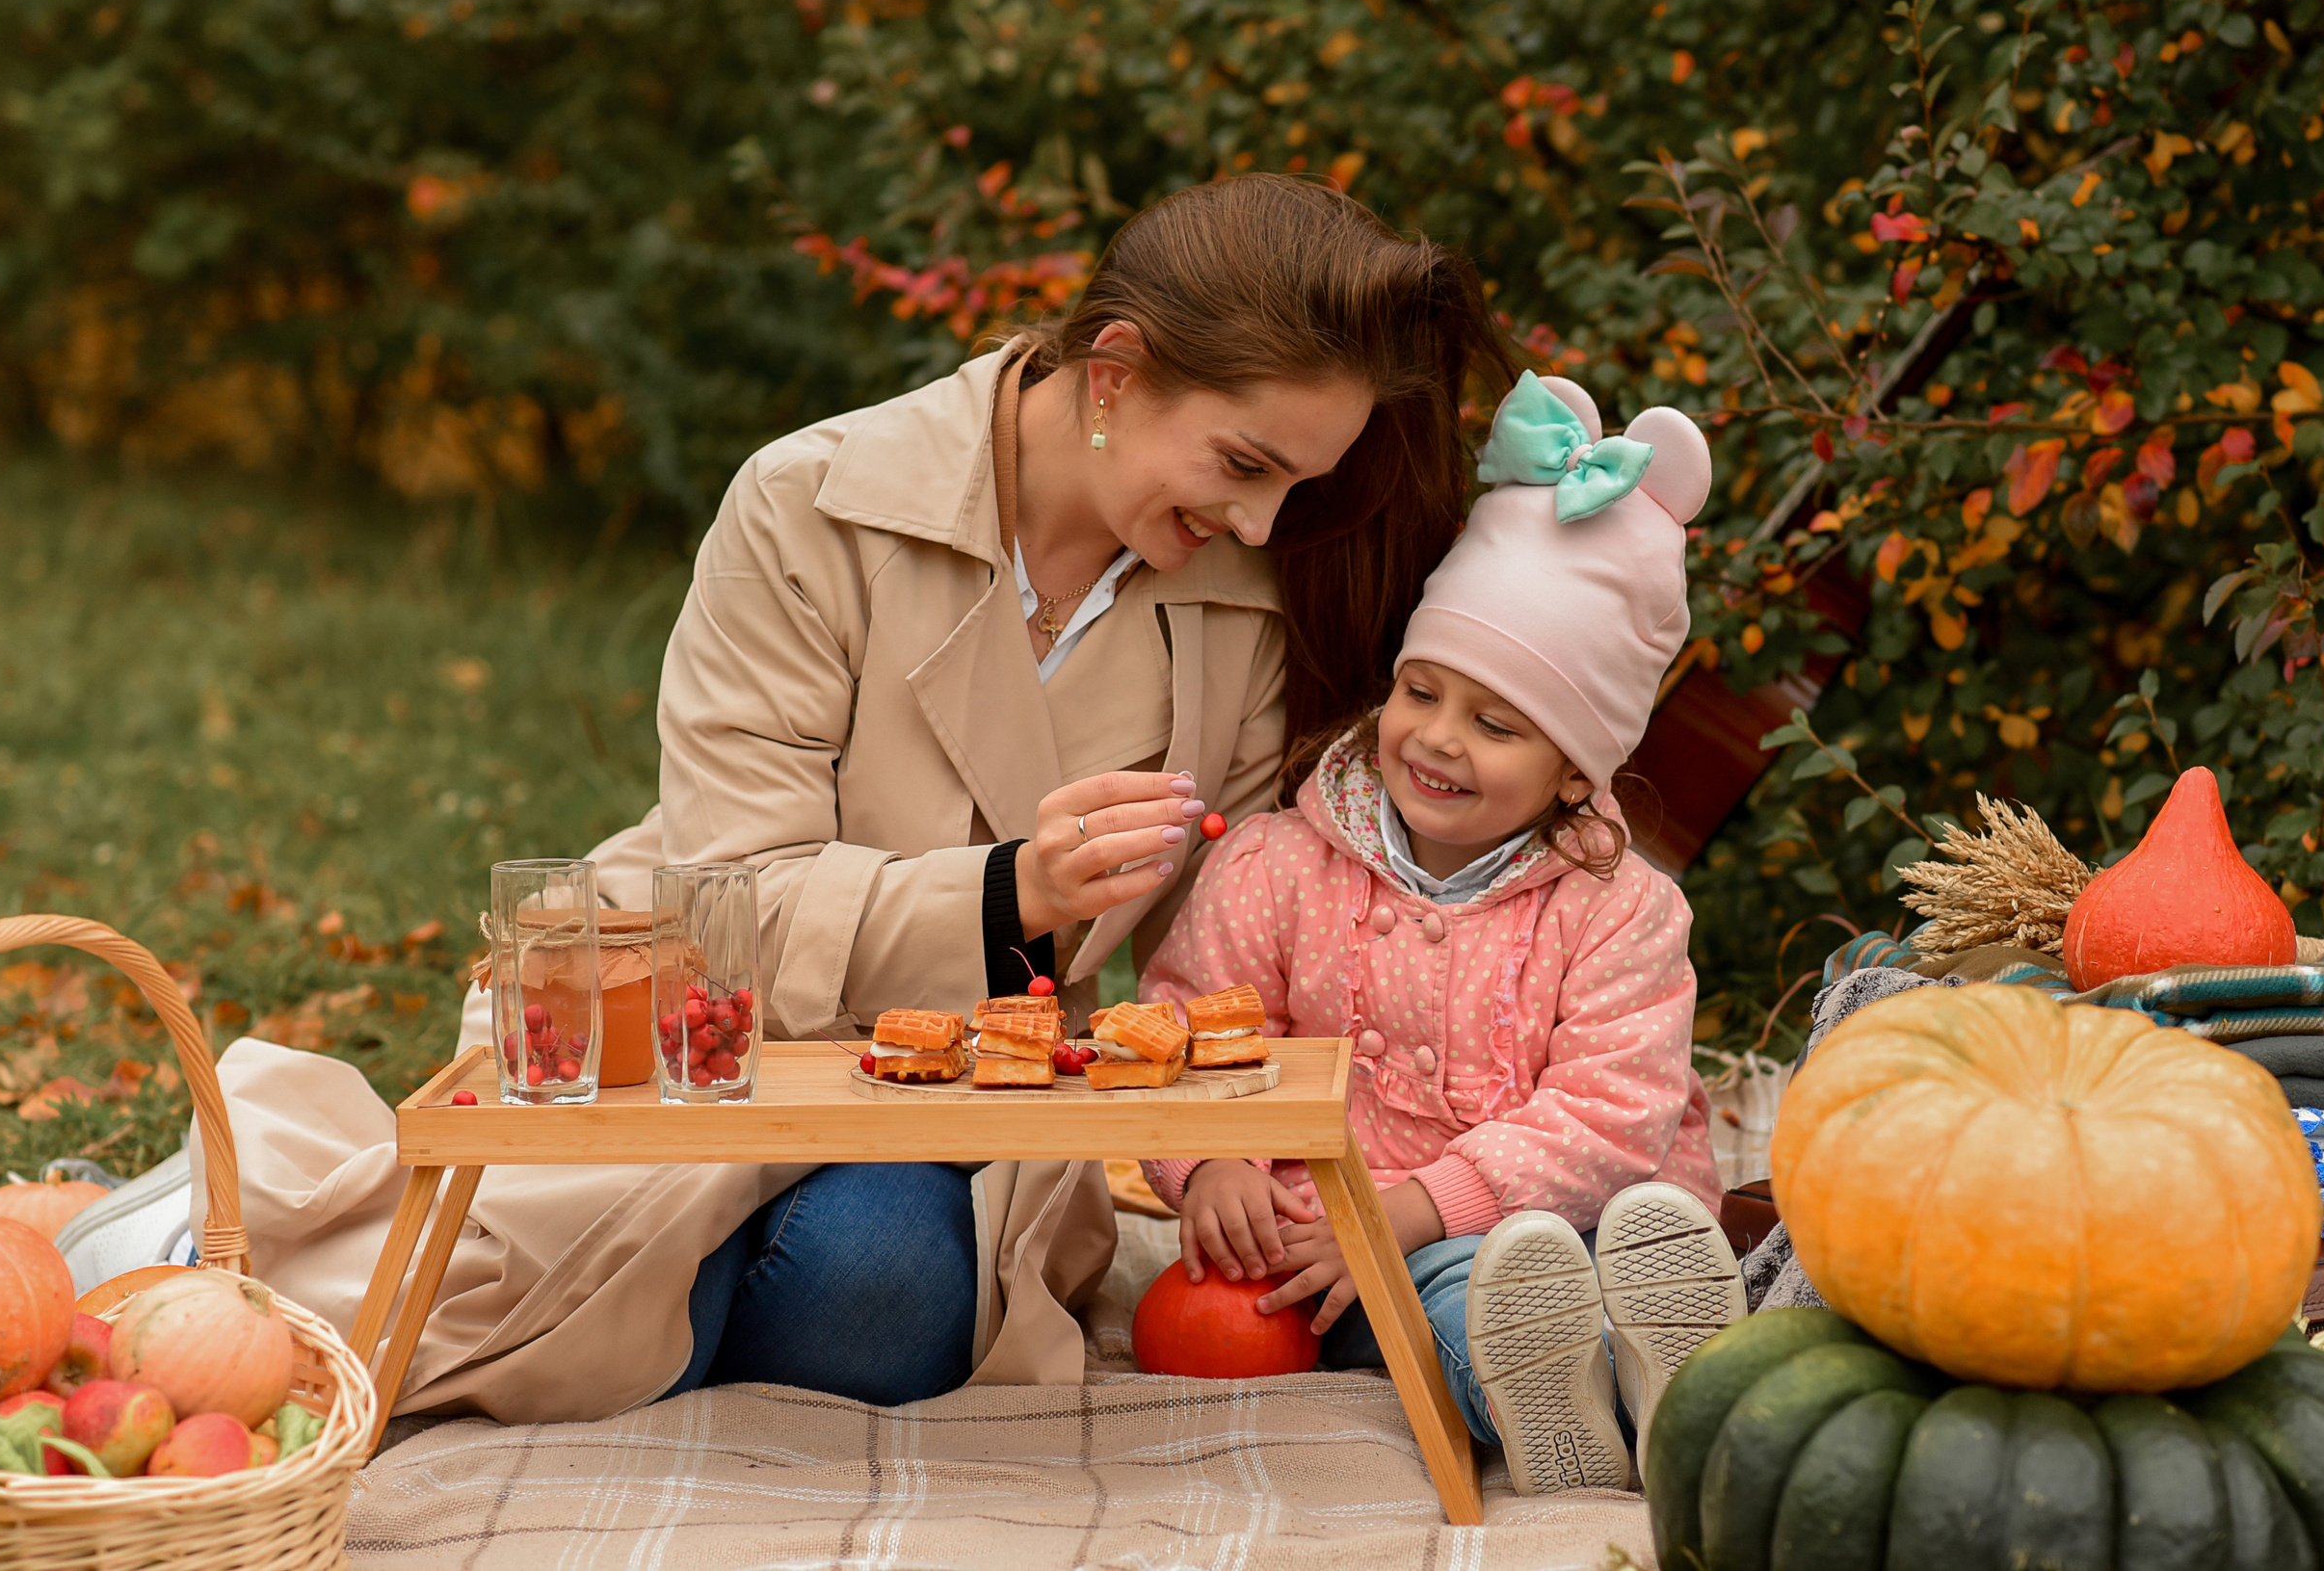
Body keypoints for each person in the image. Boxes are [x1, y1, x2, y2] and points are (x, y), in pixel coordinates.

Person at [199, 174, 1519, 1426]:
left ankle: (678, 1340)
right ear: (1114, 375)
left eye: (1296, 482)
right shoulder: (807, 508)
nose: (1261, 523)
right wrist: (1017, 892)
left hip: (964, 1099)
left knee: (881, 1301)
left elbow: (1237, 935)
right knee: (592, 1303)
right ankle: (571, 1310)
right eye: (1244, 464)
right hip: (693, 1031)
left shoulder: (1243, 610)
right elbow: (739, 890)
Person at [1138, 371, 1743, 1493]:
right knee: (1440, 1302)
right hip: (1357, 1242)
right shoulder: (1280, 864)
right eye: (1421, 692)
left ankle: (1662, 1370)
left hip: (1586, 1219)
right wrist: (1207, 1156)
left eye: (1497, 721)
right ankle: (1572, 1406)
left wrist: (1422, 1203)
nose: (1438, 738)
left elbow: (1613, 1109)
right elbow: (1189, 1027)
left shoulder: (1618, 909)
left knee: (1541, 1277)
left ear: (1576, 765)